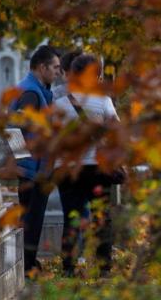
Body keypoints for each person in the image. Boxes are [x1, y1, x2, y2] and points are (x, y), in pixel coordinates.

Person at [53, 54, 119, 277]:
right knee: (102, 218)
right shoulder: (103, 101)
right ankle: (104, 268)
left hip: (68, 169)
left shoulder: (60, 104)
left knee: (71, 217)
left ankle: (69, 268)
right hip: (96, 168)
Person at [9, 45, 61, 276]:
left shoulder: (36, 90)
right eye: (56, 68)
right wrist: (23, 164)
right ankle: (27, 266)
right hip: (34, 170)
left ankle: (29, 262)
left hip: (34, 167)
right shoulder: (30, 93)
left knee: (31, 219)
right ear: (42, 67)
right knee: (31, 220)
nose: (58, 72)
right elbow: (16, 129)